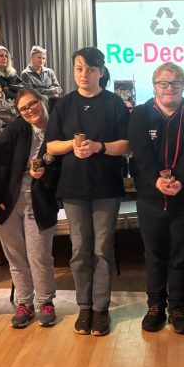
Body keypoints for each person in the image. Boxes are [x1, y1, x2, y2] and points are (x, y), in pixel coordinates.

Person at [45, 47, 130, 336]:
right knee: (80, 250)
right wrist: (73, 145)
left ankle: (101, 309)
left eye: (91, 69)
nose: (84, 74)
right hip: (73, 188)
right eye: (79, 68)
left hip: (106, 187)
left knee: (102, 250)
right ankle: (84, 307)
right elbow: (51, 146)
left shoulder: (114, 103)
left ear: (101, 72)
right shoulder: (64, 104)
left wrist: (100, 147)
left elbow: (126, 145)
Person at [128, 62, 184, 335]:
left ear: (183, 86)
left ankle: (177, 309)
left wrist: (180, 182)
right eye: (164, 83)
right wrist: (156, 181)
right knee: (154, 256)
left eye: (175, 83)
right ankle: (155, 307)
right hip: (150, 198)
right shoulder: (140, 115)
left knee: (180, 256)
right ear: (154, 87)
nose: (169, 88)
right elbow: (140, 153)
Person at [0, 89, 59, 329]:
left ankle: (45, 302)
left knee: (39, 256)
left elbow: (64, 169)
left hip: (40, 201)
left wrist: (46, 174)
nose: (30, 111)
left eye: (33, 104)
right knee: (16, 257)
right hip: (9, 202)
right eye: (24, 108)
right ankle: (24, 304)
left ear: (43, 101)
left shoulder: (58, 130)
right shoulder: (16, 129)